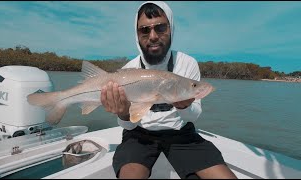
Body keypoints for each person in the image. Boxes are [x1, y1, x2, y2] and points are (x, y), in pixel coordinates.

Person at [100, 1, 237, 179]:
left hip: (182, 134)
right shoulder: (128, 69)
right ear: (137, 34)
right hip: (139, 135)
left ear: (171, 28)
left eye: (160, 27)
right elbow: (129, 124)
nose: (153, 36)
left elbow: (193, 116)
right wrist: (123, 114)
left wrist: (184, 107)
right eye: (144, 30)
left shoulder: (187, 63)